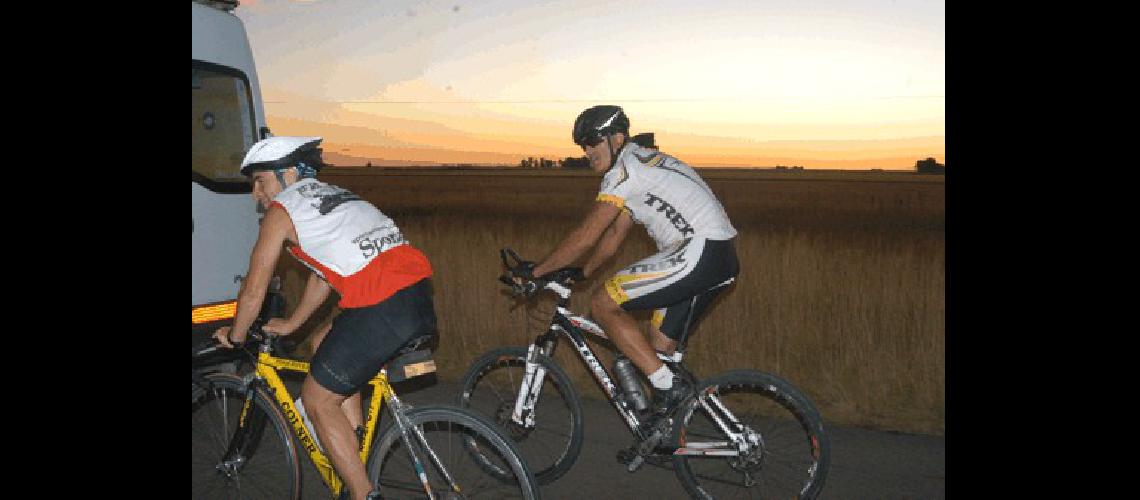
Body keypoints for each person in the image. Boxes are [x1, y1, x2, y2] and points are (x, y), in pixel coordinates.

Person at [213, 136, 436, 500]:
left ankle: (364, 495)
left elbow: (254, 289)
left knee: (317, 399)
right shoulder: (333, 196)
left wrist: (236, 336)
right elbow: (326, 273)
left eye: (260, 180)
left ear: (287, 175)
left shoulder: (282, 212)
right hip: (415, 296)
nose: (256, 193)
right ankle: (355, 444)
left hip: (379, 306)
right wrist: (293, 324)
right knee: (321, 343)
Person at [523, 105, 739, 432]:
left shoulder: (623, 171)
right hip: (719, 257)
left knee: (603, 303)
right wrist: (581, 273)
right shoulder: (640, 163)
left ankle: (669, 388)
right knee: (657, 349)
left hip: (698, 250)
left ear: (617, 138)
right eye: (583, 145)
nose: (587, 151)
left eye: (593, 142)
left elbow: (586, 236)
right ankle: (668, 430)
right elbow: (611, 238)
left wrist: (537, 272)